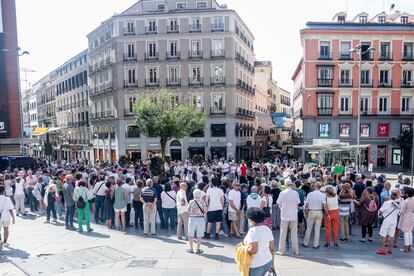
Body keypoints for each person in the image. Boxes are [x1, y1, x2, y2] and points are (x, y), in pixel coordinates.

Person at [244, 207, 275, 276]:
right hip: (268, 261)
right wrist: (272, 263)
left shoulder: (252, 231)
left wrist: (243, 249)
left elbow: (254, 250)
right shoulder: (267, 229)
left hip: (256, 264)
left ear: (251, 220)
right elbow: (272, 249)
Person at [276, 179, 300, 255]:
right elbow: (297, 203)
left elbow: (278, 204)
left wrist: (281, 208)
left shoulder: (282, 193)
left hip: (285, 215)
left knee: (283, 233)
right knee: (294, 233)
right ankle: (296, 250)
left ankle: (281, 250)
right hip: (293, 214)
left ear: (285, 185)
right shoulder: (295, 193)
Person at [376, 189, 402, 255]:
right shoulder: (398, 204)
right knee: (391, 235)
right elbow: (399, 213)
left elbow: (381, 211)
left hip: (386, 220)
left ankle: (383, 250)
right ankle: (390, 250)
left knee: (383, 235)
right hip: (394, 220)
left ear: (390, 195)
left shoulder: (387, 203)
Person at [303, 182, 326, 249]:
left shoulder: (310, 194)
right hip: (319, 211)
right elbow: (324, 205)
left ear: (315, 187)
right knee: (317, 229)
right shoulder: (322, 195)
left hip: (311, 211)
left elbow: (307, 205)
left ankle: (306, 243)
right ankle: (316, 244)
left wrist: (306, 213)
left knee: (309, 228)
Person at [186, 189, 207, 254]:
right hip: (200, 219)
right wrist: (200, 213)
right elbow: (205, 211)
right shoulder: (203, 202)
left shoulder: (191, 202)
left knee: (191, 234)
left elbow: (187, 210)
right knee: (199, 235)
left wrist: (192, 213)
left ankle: (191, 249)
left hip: (192, 219)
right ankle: (198, 249)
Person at [398, 187, 414, 252]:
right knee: (410, 232)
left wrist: (399, 211)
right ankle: (409, 247)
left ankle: (406, 248)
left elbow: (402, 211)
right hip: (412, 216)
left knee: (406, 232)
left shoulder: (406, 201)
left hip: (406, 217)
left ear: (407, 194)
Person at [0, 185, 15, 250]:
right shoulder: (7, 199)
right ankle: (5, 242)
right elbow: (10, 209)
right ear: (4, 191)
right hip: (6, 216)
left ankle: (0, 241)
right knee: (6, 229)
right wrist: (13, 217)